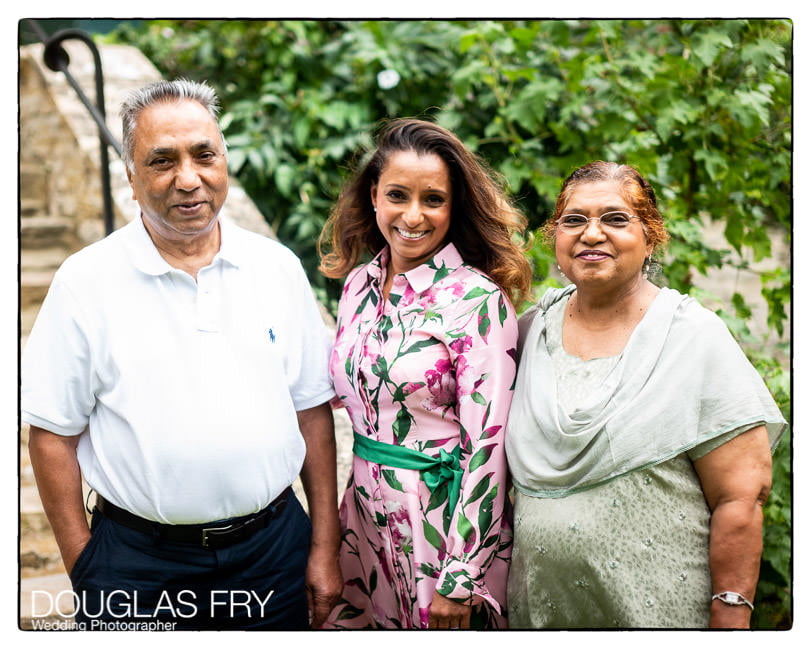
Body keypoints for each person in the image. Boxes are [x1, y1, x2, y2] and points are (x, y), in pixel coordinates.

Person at [21, 78, 342, 630]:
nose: (188, 179)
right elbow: (52, 435)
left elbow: (312, 413)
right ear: (130, 176)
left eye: (203, 155)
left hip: (273, 553)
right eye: (162, 160)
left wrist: (323, 547)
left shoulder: (276, 268)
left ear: (225, 160)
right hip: (140, 566)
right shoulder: (85, 282)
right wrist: (87, 568)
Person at [505, 161, 787, 629]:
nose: (591, 234)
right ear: (555, 236)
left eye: (615, 219)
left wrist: (731, 615)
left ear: (651, 236)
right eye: (574, 220)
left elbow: (740, 495)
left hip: (659, 614)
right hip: (539, 613)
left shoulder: (693, 337)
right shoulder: (528, 332)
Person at [317, 118, 532, 629]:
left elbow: (490, 445)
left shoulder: (476, 301)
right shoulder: (357, 287)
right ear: (374, 196)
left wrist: (461, 576)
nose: (413, 216)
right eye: (398, 195)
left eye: (433, 199)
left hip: (439, 526)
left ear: (453, 207)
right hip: (364, 524)